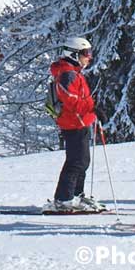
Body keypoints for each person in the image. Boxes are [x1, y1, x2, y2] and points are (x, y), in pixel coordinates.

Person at [44, 36, 103, 213]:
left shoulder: (73, 73)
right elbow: (71, 100)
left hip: (80, 121)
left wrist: (93, 109)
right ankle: (64, 199)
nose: (89, 57)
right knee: (76, 162)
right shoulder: (67, 74)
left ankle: (76, 194)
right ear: (73, 54)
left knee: (82, 161)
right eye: (85, 53)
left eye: (89, 53)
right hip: (73, 123)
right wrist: (92, 108)